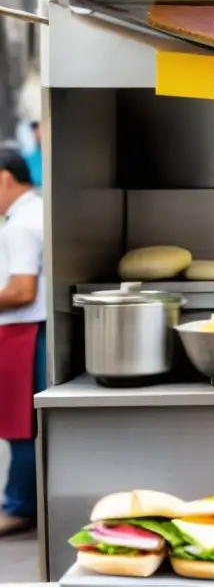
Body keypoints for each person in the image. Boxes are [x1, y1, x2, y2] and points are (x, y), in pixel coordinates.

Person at [0, 149, 47, 537]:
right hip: (30, 332)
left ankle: (19, 507)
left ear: (4, 178)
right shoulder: (36, 212)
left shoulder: (19, 225)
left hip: (25, 333)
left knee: (21, 425)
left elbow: (21, 290)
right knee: (26, 423)